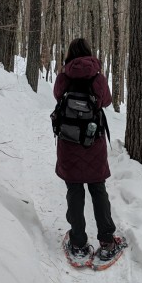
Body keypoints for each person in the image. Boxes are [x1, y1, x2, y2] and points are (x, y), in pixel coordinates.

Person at [53, 38, 120, 262]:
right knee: (98, 190)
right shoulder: (98, 78)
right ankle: (107, 240)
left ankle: (79, 243)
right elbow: (107, 101)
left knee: (74, 192)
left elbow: (56, 96)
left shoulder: (64, 77)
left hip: (68, 144)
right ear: (89, 54)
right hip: (93, 143)